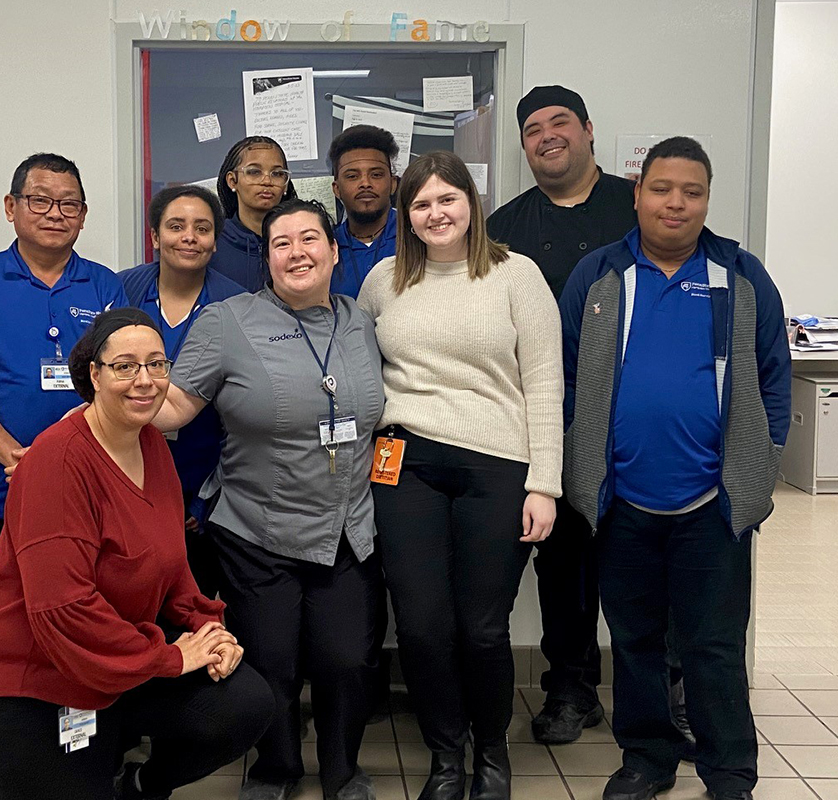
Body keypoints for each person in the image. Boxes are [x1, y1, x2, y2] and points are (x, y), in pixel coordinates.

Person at [0, 308, 274, 800]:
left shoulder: (152, 447)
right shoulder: (57, 462)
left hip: (120, 657)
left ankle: (143, 785)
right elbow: (64, 610)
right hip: (35, 679)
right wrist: (169, 658)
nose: (145, 381)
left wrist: (207, 630)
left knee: (246, 704)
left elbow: (171, 566)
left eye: (157, 365)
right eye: (125, 366)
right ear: (94, 375)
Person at [560, 137, 791, 800]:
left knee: (714, 648)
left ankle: (729, 771)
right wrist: (584, 468)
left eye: (692, 191)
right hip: (621, 500)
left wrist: (761, 463)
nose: (676, 203)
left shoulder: (740, 277)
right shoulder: (601, 277)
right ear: (637, 194)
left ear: (706, 199)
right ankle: (647, 760)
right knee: (633, 641)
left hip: (712, 506)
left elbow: (775, 377)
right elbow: (569, 376)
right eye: (662, 188)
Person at [154, 199, 385, 800]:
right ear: (268, 259)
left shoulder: (361, 321)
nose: (297, 252)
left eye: (311, 238)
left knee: (347, 661)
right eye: (281, 243)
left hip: (347, 529)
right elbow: (176, 406)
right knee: (270, 663)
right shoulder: (228, 321)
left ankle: (344, 771)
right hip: (257, 529)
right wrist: (100, 414)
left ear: (335, 252)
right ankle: (275, 768)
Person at [0, 152, 127, 799]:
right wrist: (18, 457)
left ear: (84, 214)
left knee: (83, 637)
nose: (55, 213)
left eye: (68, 203)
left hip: (89, 505)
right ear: (11, 208)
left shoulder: (104, 287)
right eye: (40, 200)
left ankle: (82, 766)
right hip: (2, 499)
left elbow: (124, 382)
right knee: (6, 649)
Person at [359, 151, 562, 800]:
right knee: (419, 626)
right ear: (406, 215)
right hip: (403, 467)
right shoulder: (384, 281)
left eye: (448, 199)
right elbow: (361, 376)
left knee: (480, 627)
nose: (436, 212)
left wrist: (546, 485)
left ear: (471, 203)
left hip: (497, 467)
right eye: (421, 203)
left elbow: (545, 383)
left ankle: (492, 755)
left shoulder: (515, 276)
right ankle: (446, 756)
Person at [485, 85, 636, 744]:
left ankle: (664, 688)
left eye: (559, 122)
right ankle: (571, 688)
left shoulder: (638, 205)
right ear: (524, 146)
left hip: (638, 421)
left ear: (588, 129)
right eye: (533, 129)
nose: (547, 136)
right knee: (564, 565)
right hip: (551, 421)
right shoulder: (504, 229)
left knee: (646, 561)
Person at [118, 185, 245, 598]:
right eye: (176, 226)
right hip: (126, 484)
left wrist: (204, 497)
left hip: (202, 487)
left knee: (195, 608)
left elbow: (243, 415)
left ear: (214, 241)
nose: (189, 236)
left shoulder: (238, 306)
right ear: (155, 236)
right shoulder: (121, 293)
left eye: (202, 228)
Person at [212, 135, 297, 292]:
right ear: (232, 180)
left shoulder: (300, 241)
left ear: (285, 185)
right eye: (254, 172)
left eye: (277, 174)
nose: (266, 181)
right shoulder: (212, 241)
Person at [328, 125, 400, 298]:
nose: (365, 183)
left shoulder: (416, 236)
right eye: (352, 176)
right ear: (337, 189)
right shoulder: (324, 247)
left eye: (376, 175)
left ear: (393, 184)